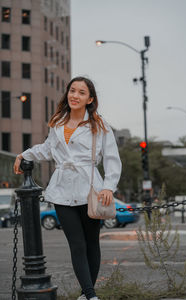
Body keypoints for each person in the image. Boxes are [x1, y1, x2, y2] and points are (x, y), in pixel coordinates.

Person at [13, 76, 122, 300]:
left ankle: (85, 294)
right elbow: (47, 150)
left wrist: (109, 187)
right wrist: (25, 154)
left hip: (90, 189)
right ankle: (91, 295)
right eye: (73, 90)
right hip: (62, 191)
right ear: (67, 93)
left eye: (82, 92)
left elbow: (112, 159)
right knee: (77, 244)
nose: (75, 95)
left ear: (90, 99)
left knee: (92, 243)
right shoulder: (58, 123)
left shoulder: (100, 125)